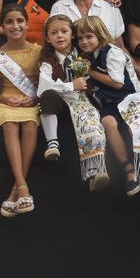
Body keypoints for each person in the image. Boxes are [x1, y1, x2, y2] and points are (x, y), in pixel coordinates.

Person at [76, 15, 140, 195]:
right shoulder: (89, 57)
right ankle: (128, 167)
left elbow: (117, 83)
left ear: (100, 35)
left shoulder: (112, 52)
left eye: (88, 36)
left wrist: (90, 71)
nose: (84, 41)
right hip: (110, 102)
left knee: (135, 127)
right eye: (80, 38)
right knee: (108, 123)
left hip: (129, 97)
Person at [37, 14, 108, 189]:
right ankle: (52, 143)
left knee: (90, 122)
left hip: (85, 102)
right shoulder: (48, 61)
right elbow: (43, 88)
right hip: (61, 106)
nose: (59, 36)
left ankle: (95, 171)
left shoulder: (85, 56)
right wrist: (71, 85)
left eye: (64, 31)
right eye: (54, 33)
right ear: (47, 38)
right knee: (47, 96)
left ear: (72, 34)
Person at [0, 5, 42, 217]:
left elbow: (43, 87)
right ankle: (23, 187)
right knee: (9, 125)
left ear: (27, 24)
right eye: (9, 21)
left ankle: (15, 191)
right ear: (2, 26)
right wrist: (6, 98)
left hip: (30, 102)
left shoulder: (38, 51)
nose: (15, 25)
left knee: (30, 125)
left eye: (20, 21)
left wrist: (34, 97)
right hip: (5, 103)